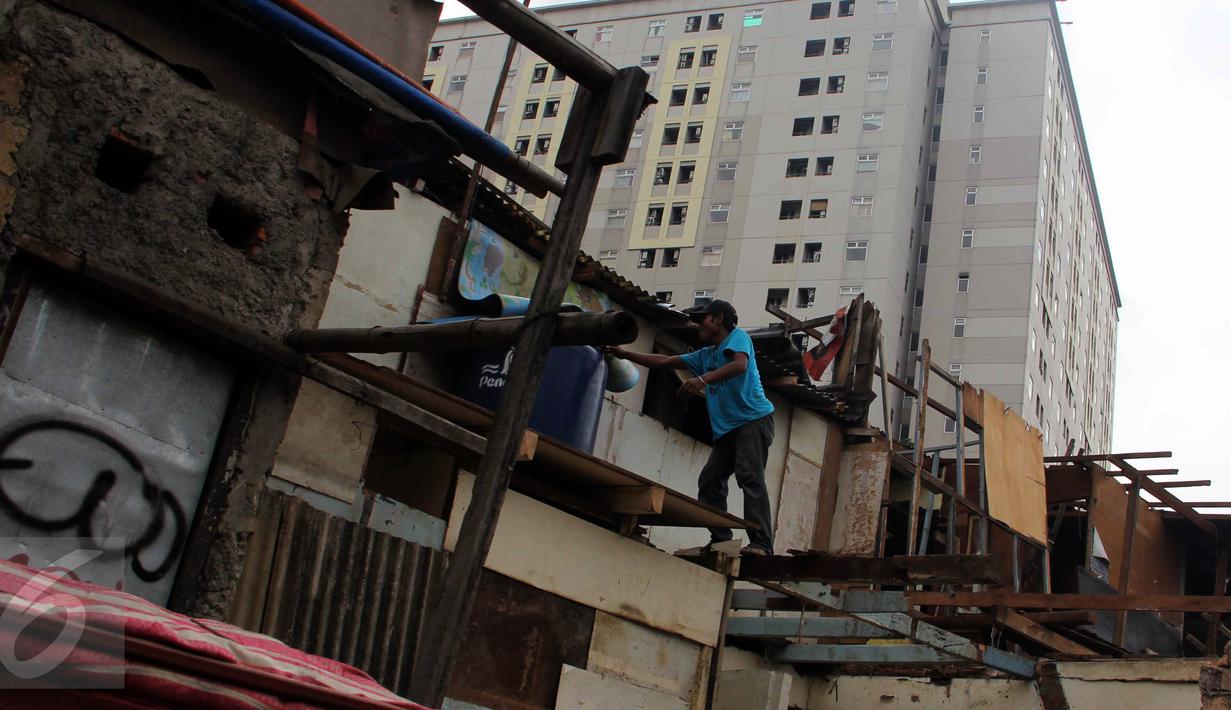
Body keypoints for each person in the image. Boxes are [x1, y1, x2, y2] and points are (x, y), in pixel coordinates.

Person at [607, 300, 775, 555]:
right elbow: (664, 361)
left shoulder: (738, 337)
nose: (698, 325)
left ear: (719, 318)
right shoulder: (705, 355)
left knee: (749, 476)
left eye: (702, 319)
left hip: (753, 419)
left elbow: (739, 364)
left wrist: (702, 380)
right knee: (710, 481)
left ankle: (762, 543)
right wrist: (625, 354)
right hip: (728, 429)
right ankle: (721, 541)